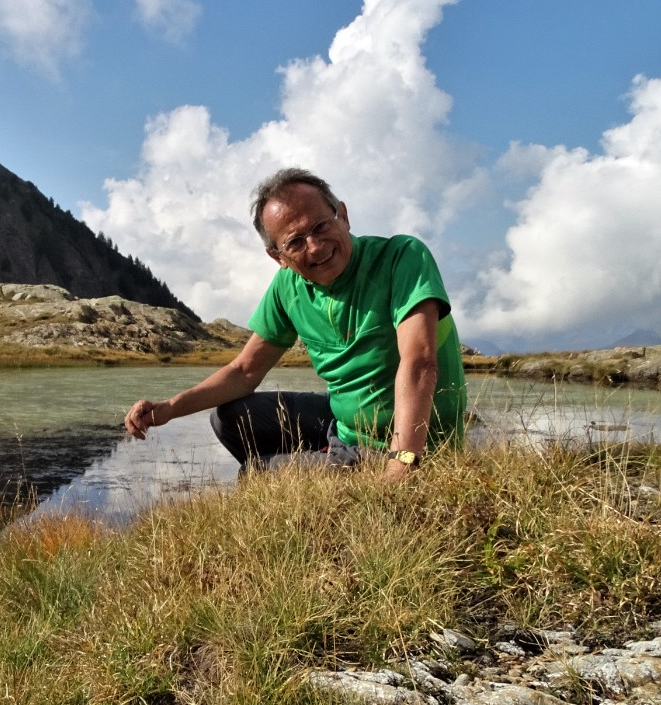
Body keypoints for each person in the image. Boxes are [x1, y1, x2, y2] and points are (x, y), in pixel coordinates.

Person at [123, 167, 467, 481]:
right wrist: (169, 408)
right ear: (278, 257)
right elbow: (244, 372)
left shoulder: (402, 257)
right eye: (295, 242)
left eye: (321, 227)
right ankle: (332, 465)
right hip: (344, 424)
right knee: (229, 417)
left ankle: (346, 473)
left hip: (409, 443)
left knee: (256, 474)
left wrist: (402, 462)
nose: (315, 247)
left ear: (343, 216)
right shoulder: (288, 288)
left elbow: (419, 362)